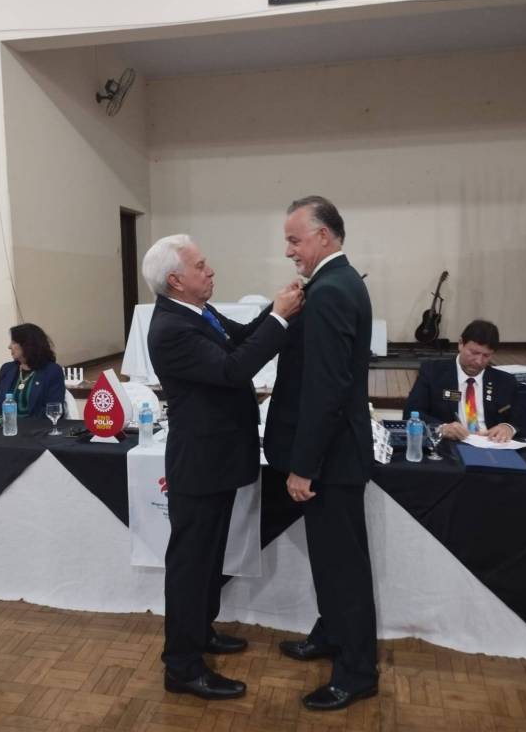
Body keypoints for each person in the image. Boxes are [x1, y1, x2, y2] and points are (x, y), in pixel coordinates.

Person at [143, 234, 303, 701]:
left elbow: (241, 337)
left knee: (211, 556)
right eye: (201, 266)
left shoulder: (197, 312)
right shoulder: (171, 328)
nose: (210, 271)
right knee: (191, 564)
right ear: (176, 280)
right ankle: (181, 666)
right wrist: (279, 318)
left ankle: (200, 631)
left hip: (218, 458)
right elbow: (234, 369)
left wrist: (276, 308)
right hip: (199, 463)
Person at [263, 196, 378, 712]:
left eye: (295, 239)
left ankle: (357, 674)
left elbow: (326, 389)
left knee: (342, 569)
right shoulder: (336, 282)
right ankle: (332, 634)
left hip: (330, 460)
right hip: (334, 454)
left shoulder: (331, 291)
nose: (289, 250)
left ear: (324, 236)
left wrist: (304, 466)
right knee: (331, 563)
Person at [404, 320, 517, 443]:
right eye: (474, 353)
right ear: (461, 344)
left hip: (493, 445)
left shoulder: (505, 381)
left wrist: (509, 428)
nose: (479, 361)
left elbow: (522, 416)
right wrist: (441, 428)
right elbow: (410, 413)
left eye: (486, 356)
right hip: (450, 445)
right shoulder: (432, 372)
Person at [0, 323, 65, 418]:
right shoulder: (7, 369)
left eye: (14, 342)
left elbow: (53, 409)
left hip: (37, 426)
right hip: (7, 425)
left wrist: (25, 425)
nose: (9, 346)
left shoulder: (52, 371)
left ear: (27, 345)